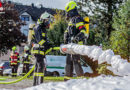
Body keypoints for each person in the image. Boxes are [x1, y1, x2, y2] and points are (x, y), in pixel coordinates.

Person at [64, 1, 89, 80]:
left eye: (67, 12)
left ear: (71, 11)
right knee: (68, 64)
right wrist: (65, 35)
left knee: (76, 64)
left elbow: (83, 31)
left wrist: (77, 38)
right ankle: (67, 84)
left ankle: (81, 83)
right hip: (70, 46)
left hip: (76, 46)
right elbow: (69, 31)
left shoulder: (78, 19)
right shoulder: (72, 20)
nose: (67, 14)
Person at [31, 12, 52, 86]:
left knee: (38, 68)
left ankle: (35, 85)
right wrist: (47, 44)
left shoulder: (43, 28)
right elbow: (40, 40)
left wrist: (49, 44)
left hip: (41, 51)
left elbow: (45, 39)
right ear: (43, 20)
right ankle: (39, 85)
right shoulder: (38, 27)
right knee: (40, 66)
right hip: (38, 50)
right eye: (47, 20)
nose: (48, 22)